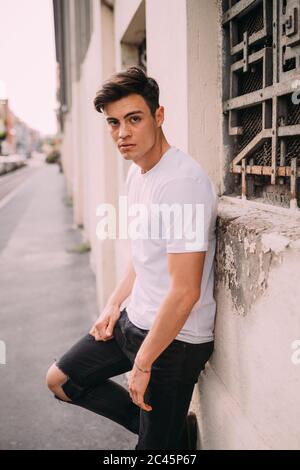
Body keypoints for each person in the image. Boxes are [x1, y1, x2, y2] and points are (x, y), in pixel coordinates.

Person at [46, 66, 217, 450]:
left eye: (134, 119)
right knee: (61, 381)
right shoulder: (138, 173)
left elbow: (185, 291)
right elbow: (143, 255)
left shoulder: (182, 184)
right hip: (133, 321)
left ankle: (162, 442)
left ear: (159, 116)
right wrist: (112, 303)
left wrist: (143, 365)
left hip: (175, 342)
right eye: (113, 123)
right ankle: (167, 437)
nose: (122, 133)